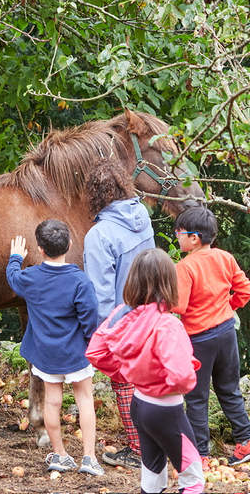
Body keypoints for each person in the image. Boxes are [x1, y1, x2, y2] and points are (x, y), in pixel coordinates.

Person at [86, 248, 204, 494]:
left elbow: (96, 352)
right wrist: (176, 380)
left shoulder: (120, 314)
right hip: (166, 410)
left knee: (152, 479)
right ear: (170, 283)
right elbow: (182, 377)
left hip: (139, 406)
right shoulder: (168, 325)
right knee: (193, 480)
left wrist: (128, 373)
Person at [6, 220, 104, 476]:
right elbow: (90, 317)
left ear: (39, 249)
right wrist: (89, 340)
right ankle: (89, 458)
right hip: (76, 353)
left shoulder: (30, 277)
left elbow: (13, 279)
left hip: (45, 355)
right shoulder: (80, 281)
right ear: (70, 245)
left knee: (52, 402)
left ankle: (60, 455)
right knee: (84, 399)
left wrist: (15, 258)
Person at [171, 206, 250, 466]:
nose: (176, 236)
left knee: (197, 398)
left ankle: (199, 456)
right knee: (229, 389)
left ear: (194, 238)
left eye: (179, 232)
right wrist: (227, 307)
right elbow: (245, 289)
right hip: (226, 333)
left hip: (199, 340)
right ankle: (247, 442)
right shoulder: (225, 257)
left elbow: (178, 306)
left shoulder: (185, 266)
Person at [83, 159, 155, 469]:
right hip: (150, 311)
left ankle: (139, 450)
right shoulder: (142, 215)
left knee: (124, 383)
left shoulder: (99, 235)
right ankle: (155, 440)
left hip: (122, 320)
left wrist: (99, 333)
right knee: (147, 381)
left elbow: (100, 294)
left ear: (94, 194)